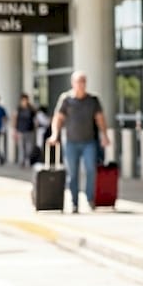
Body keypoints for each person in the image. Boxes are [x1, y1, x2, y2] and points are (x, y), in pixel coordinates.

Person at [48, 71, 110, 213]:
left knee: (91, 169)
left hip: (89, 142)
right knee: (72, 173)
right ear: (73, 83)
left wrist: (105, 135)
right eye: (78, 81)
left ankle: (90, 198)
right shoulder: (66, 99)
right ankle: (74, 202)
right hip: (71, 142)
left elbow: (100, 118)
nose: (81, 84)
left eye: (83, 81)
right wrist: (55, 134)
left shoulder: (93, 100)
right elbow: (58, 118)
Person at [13, 94, 36, 168]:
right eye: (23, 100)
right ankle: (22, 161)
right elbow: (15, 119)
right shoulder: (18, 109)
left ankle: (27, 159)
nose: (25, 101)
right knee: (22, 147)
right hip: (20, 131)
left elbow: (35, 118)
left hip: (30, 130)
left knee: (29, 148)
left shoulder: (31, 109)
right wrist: (15, 130)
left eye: (26, 100)